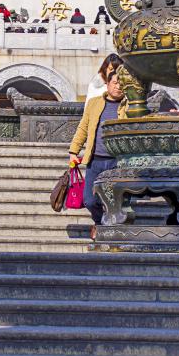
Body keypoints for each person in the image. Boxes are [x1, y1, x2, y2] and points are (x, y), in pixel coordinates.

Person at [69, 66, 127, 238]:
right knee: (89, 200)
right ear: (107, 84)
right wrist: (74, 151)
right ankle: (99, 222)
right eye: (115, 83)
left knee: (115, 199)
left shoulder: (129, 106)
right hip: (95, 160)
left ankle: (111, 229)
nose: (118, 87)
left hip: (117, 162)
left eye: (121, 84)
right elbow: (83, 128)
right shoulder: (95, 103)